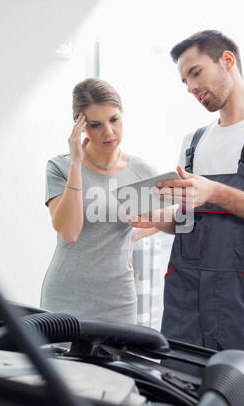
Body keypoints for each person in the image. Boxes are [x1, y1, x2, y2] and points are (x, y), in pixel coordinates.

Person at [128, 30, 244, 360]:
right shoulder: (193, 141)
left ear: (227, 61)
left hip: (240, 307)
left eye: (196, 73)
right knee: (174, 395)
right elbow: (187, 222)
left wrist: (214, 191)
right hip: (183, 302)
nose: (190, 88)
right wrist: (149, 220)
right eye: (184, 81)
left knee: (239, 401)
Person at [41, 78, 158, 323]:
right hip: (65, 297)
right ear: (80, 126)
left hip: (119, 300)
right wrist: (76, 164)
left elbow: (167, 218)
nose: (108, 132)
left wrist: (133, 236)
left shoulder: (141, 170)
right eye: (95, 125)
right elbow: (69, 232)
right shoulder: (60, 166)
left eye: (114, 119)